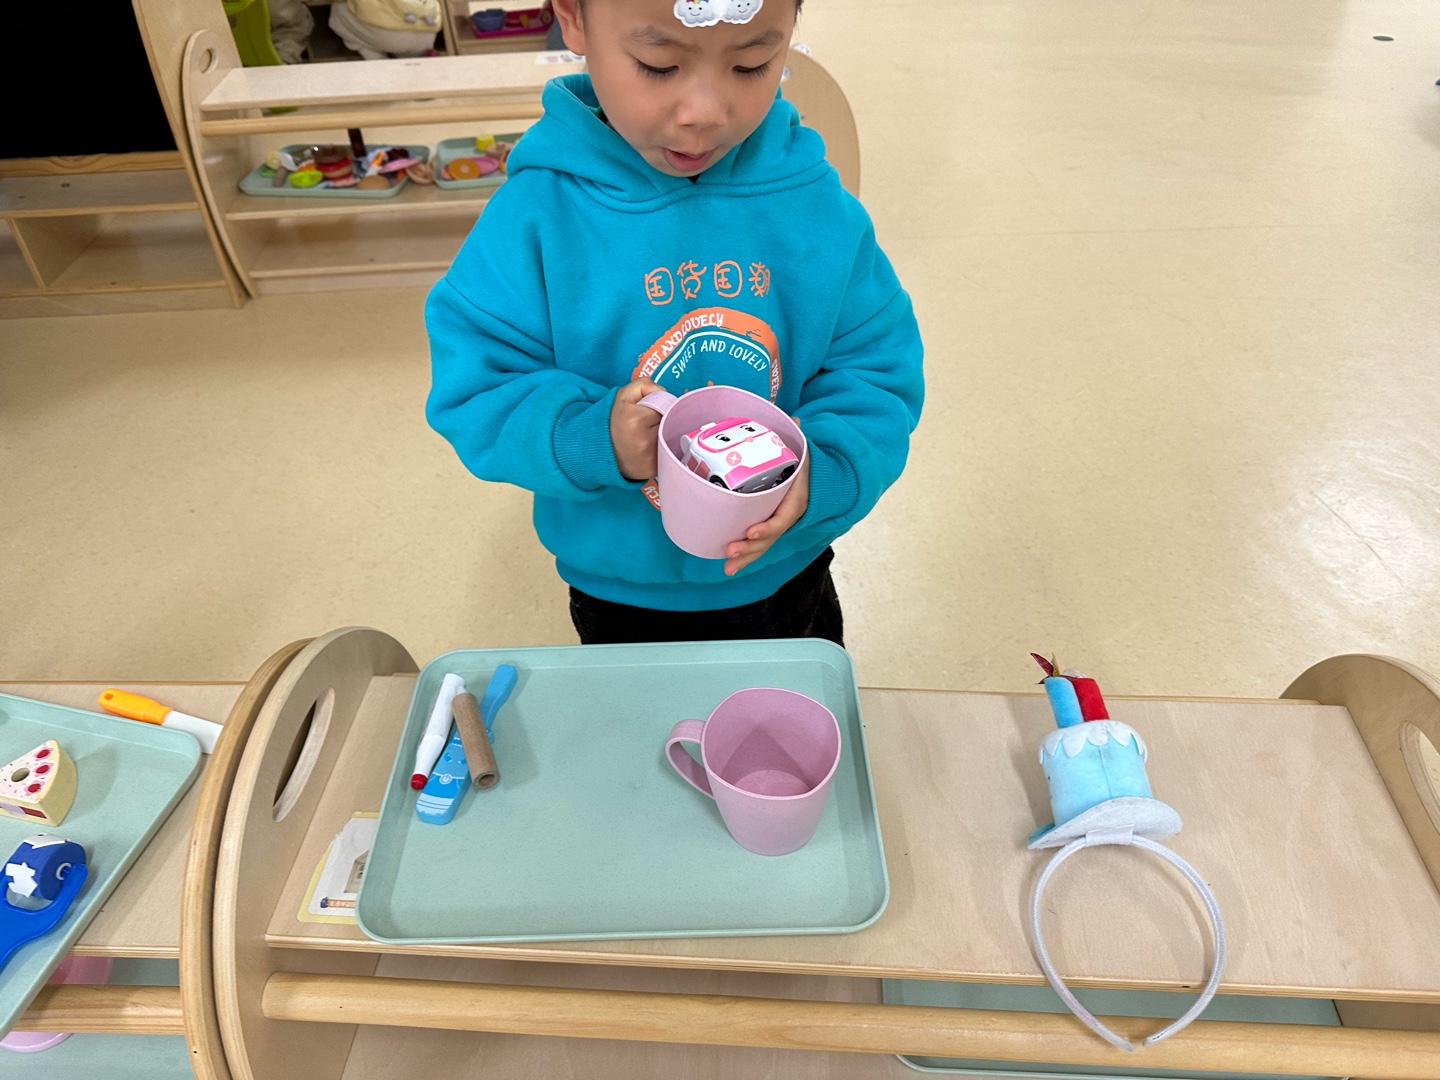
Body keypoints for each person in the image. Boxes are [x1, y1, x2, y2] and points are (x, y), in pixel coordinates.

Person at [425, 0, 923, 645]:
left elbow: (876, 370)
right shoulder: (536, 218)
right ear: (572, 19)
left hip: (786, 569)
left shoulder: (816, 205)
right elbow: (477, 390)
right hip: (619, 591)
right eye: (658, 65)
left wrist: (825, 469)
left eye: (752, 64)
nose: (705, 112)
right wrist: (589, 436)